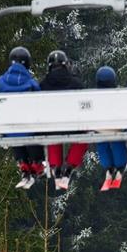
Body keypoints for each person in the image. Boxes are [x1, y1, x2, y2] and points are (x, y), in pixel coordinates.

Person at [0, 46, 43, 189]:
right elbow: (41, 101)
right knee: (29, 130)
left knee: (14, 132)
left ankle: (23, 163)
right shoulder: (31, 83)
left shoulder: (0, 82)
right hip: (29, 128)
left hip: (7, 128)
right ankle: (37, 162)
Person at [39, 50, 87, 190]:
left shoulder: (43, 85)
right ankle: (70, 165)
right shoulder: (76, 83)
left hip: (53, 126)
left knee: (51, 133)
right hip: (74, 125)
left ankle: (55, 165)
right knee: (83, 135)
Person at [93, 66, 127, 191]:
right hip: (116, 128)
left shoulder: (93, 96)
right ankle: (120, 166)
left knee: (102, 142)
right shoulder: (119, 95)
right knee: (117, 140)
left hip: (99, 129)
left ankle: (108, 167)